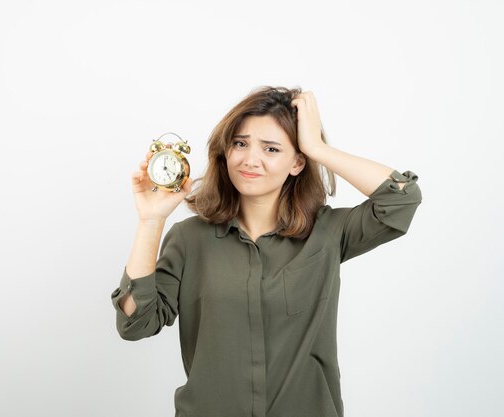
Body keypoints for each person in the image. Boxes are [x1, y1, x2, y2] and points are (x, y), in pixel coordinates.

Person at [110, 86, 422, 417]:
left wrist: (316, 146)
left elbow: (401, 198)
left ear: (298, 162)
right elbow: (135, 323)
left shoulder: (328, 232)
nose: (250, 160)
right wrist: (150, 221)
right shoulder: (190, 239)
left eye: (271, 149)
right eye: (240, 143)